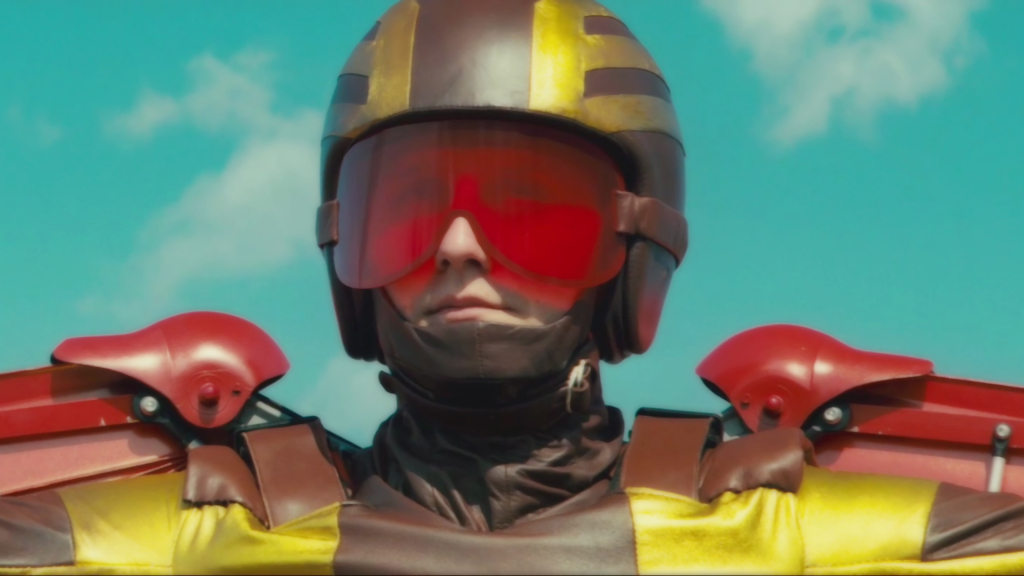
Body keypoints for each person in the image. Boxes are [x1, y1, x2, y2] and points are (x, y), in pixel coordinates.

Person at [3, 0, 1024, 573]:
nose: (458, 246)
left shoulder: (782, 533)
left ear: (633, 246)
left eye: (529, 211)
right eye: (408, 212)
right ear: (345, 250)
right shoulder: (210, 534)